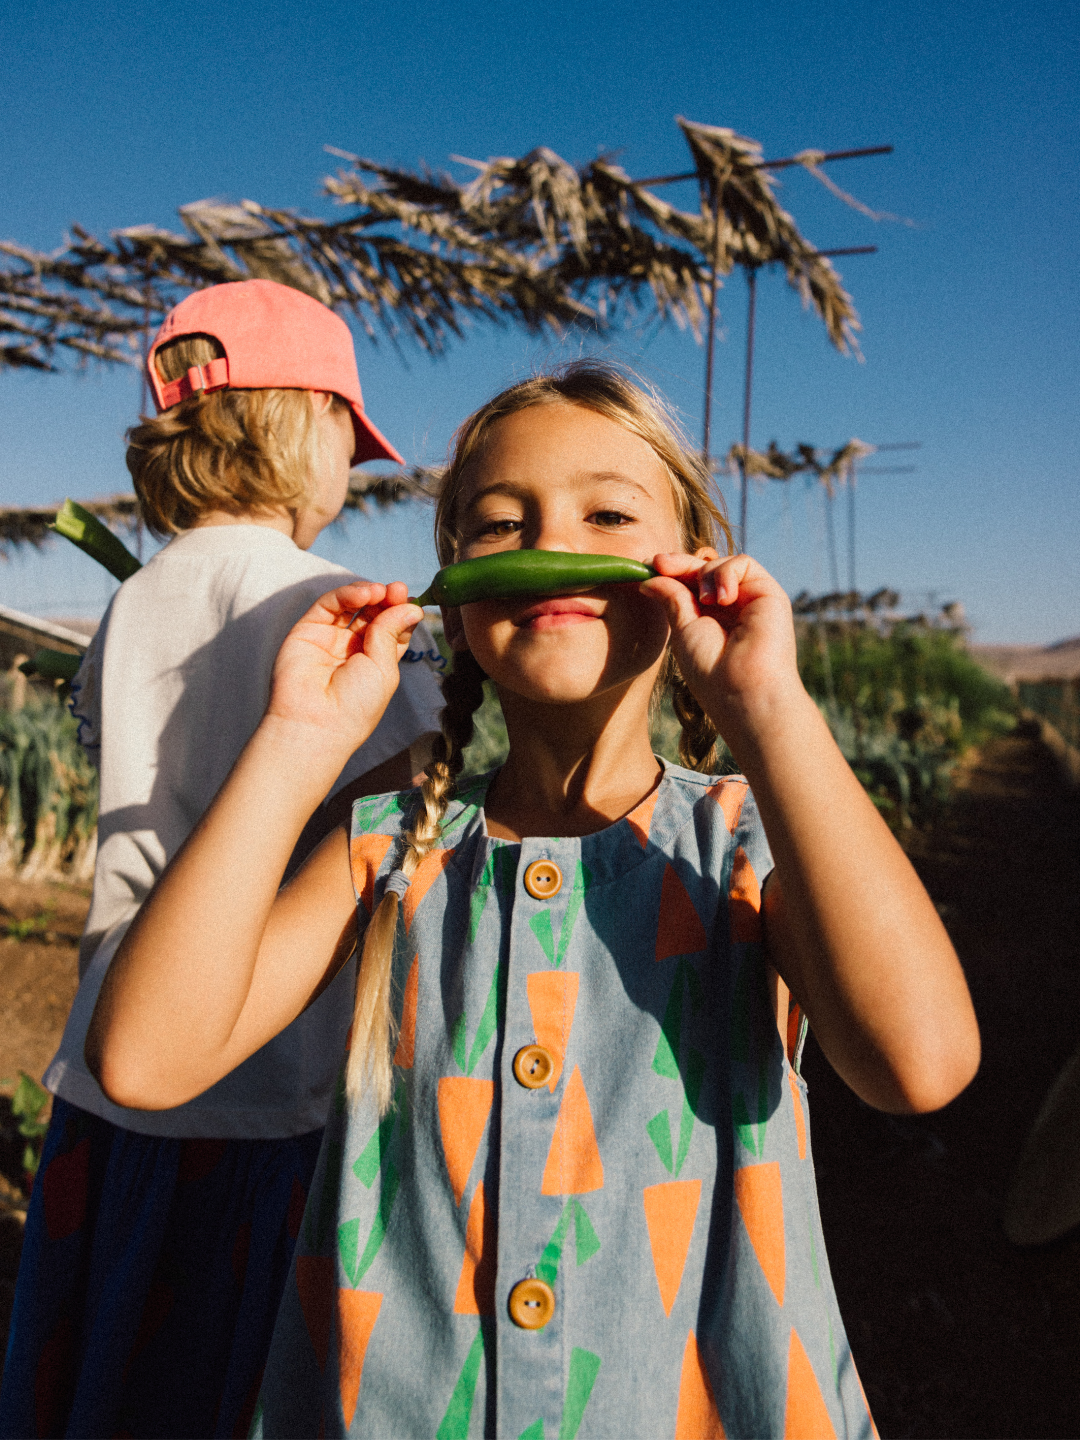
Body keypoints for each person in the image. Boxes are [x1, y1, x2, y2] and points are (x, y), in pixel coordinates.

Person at [85, 361, 980, 1438]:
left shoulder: (745, 840)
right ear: (457, 604)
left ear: (691, 566)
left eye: (608, 513)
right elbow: (143, 1060)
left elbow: (918, 1065)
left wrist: (770, 711)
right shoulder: (391, 849)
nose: (551, 541)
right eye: (501, 524)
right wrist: (297, 742)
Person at [0, 279, 444, 1440]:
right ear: (303, 422)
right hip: (257, 1072)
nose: (355, 460)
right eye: (350, 431)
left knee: (109, 1357)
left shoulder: (137, 599)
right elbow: (401, 810)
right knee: (214, 1373)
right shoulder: (325, 606)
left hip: (109, 1059)